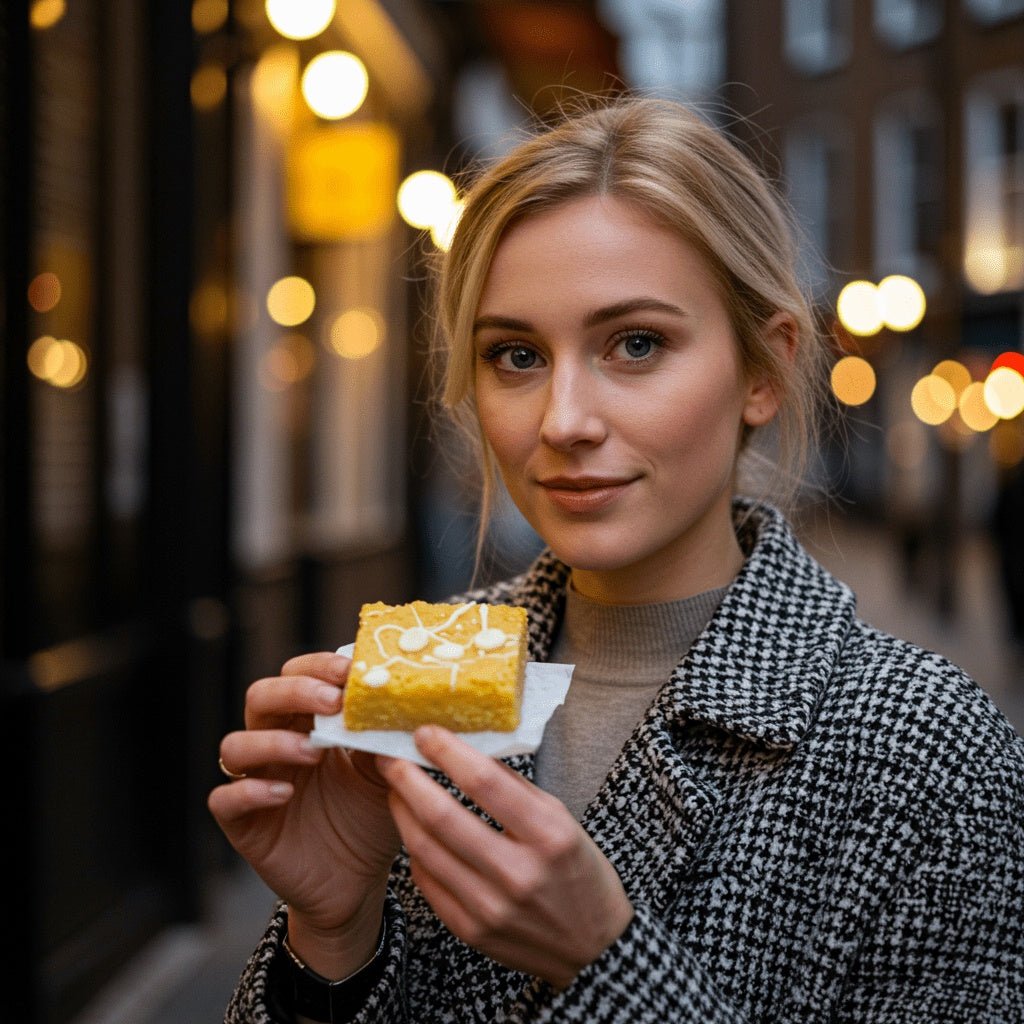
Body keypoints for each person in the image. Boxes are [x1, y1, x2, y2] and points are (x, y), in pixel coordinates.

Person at [209, 97, 1024, 1023]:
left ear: (764, 369)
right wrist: (331, 940)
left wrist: (607, 964)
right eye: (515, 355)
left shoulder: (925, 755)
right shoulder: (428, 680)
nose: (563, 421)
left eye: (636, 345)